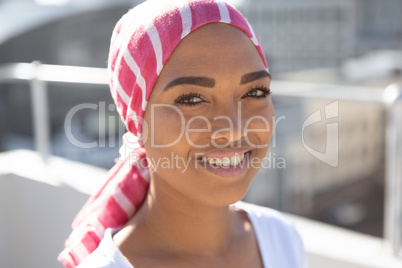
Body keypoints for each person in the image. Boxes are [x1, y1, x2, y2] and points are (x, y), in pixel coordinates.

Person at [58, 0, 308, 267]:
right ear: (136, 121)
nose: (233, 129)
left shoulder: (282, 238)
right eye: (191, 99)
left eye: (255, 92)